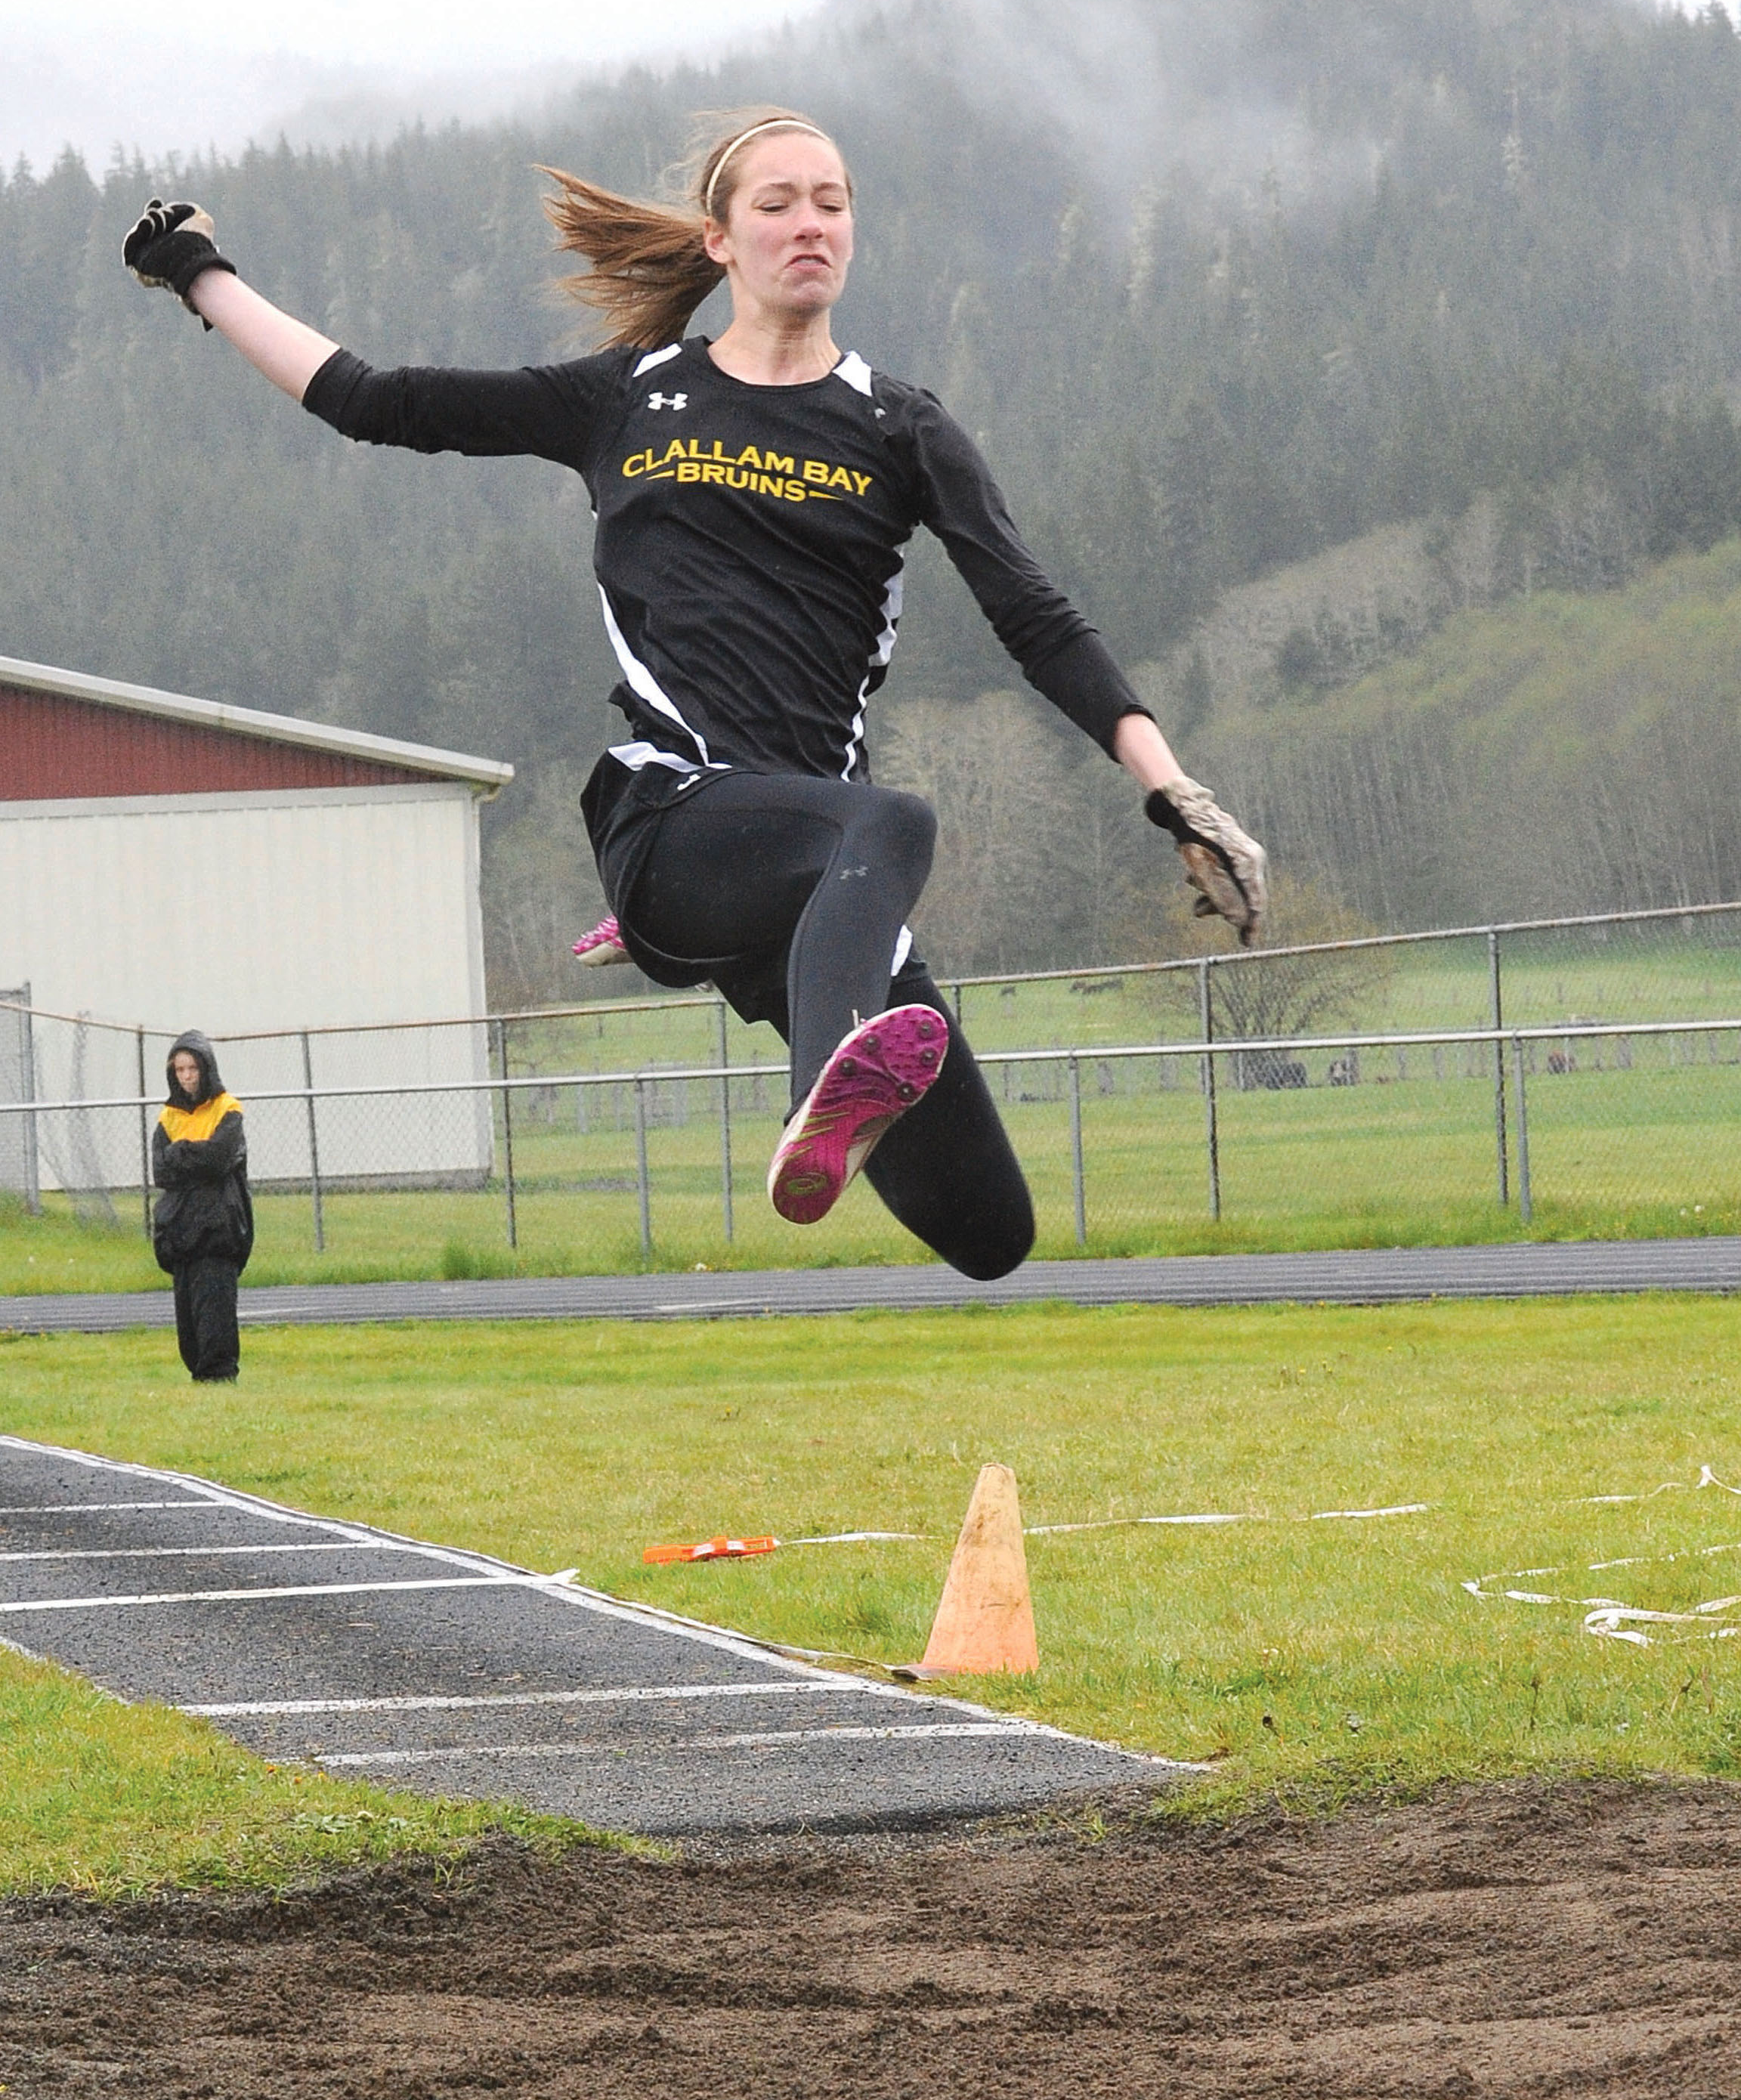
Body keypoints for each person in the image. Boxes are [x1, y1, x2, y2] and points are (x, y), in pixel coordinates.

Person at [122, 112, 1265, 1279]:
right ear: (719, 240)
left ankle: (816, 1046)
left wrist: (1172, 790)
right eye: (776, 203)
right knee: (897, 821)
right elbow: (373, 400)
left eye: (831, 201)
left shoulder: (899, 426)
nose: (808, 223)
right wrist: (199, 272)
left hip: (813, 873)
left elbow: (1038, 619)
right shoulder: (629, 397)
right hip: (673, 826)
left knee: (991, 1234)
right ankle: (822, 1075)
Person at [152, 1032, 253, 1381]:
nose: (187, 1076)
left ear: (206, 1069)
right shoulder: (168, 1118)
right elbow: (161, 1170)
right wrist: (189, 1156)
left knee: (216, 1311)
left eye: (193, 1068)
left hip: (217, 1230)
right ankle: (199, 1375)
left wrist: (181, 1153)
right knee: (189, 1318)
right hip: (182, 1233)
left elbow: (218, 1158)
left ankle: (220, 1376)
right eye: (180, 1069)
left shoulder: (228, 1110)